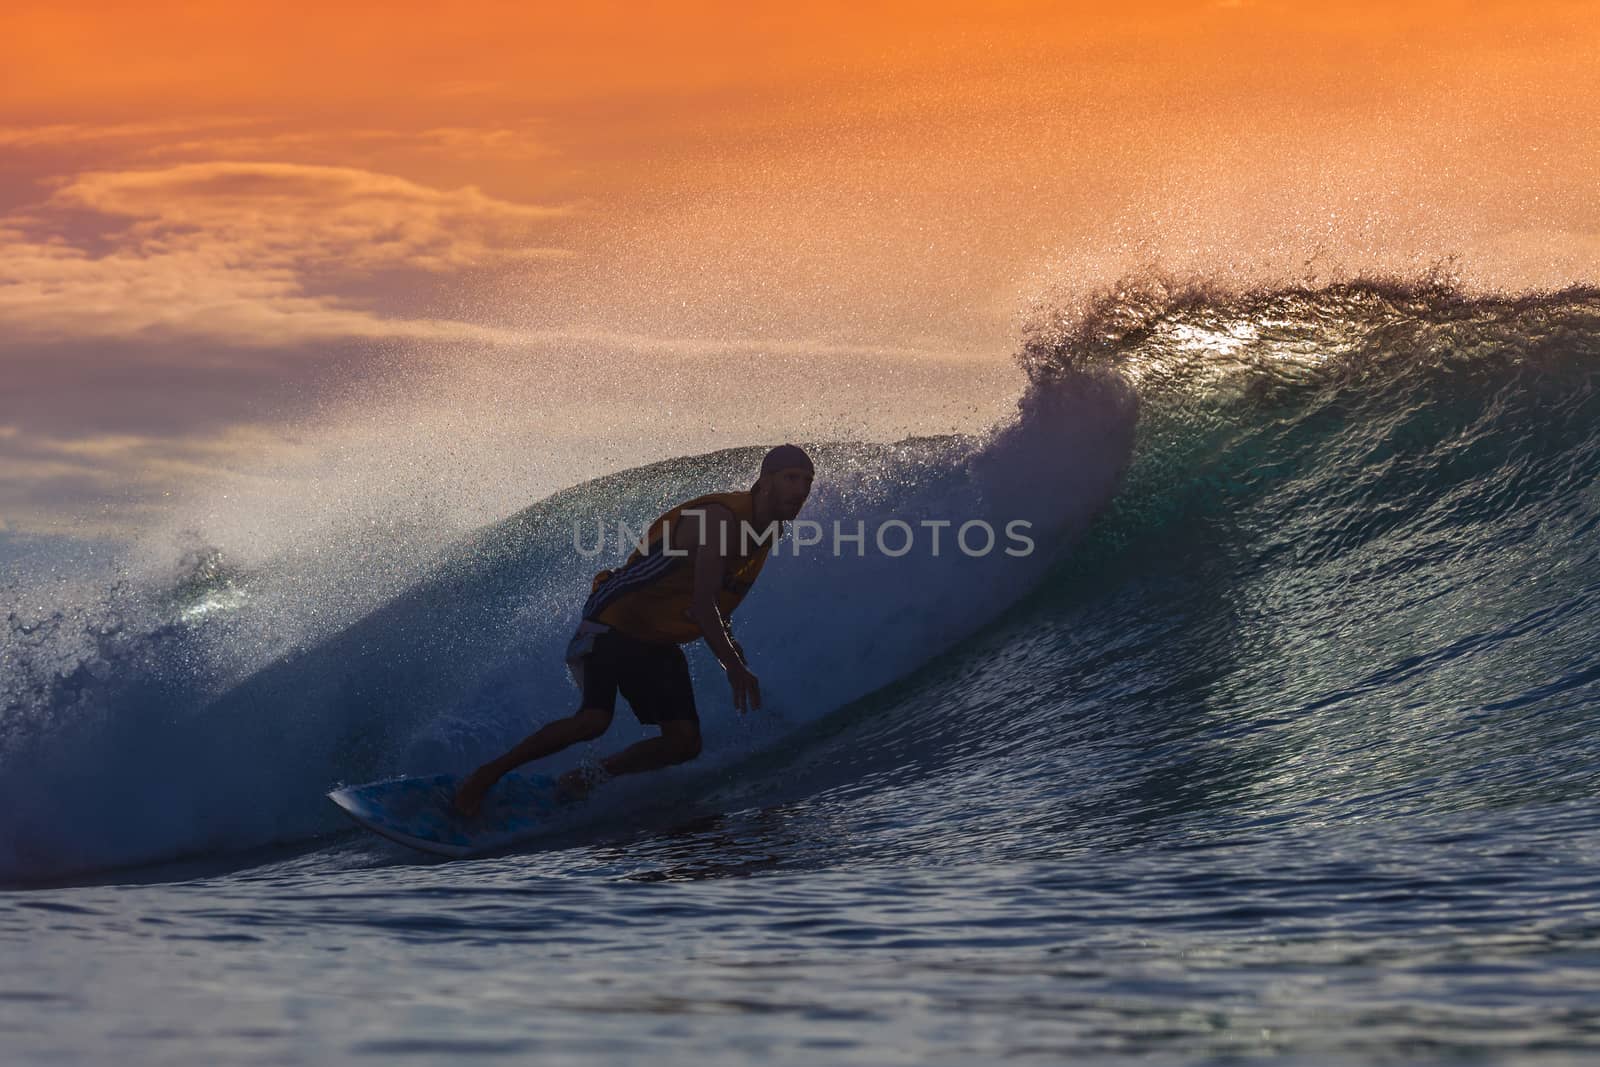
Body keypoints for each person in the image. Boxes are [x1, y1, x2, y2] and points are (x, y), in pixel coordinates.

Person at [451, 444, 815, 817]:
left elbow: (711, 599)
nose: (800, 489)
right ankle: (482, 779)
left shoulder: (766, 531)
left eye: (807, 481)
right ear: (765, 481)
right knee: (593, 720)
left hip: (655, 637)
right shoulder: (720, 519)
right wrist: (734, 667)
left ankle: (583, 780)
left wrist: (732, 645)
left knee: (684, 743)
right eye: (791, 478)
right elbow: (703, 608)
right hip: (614, 617)